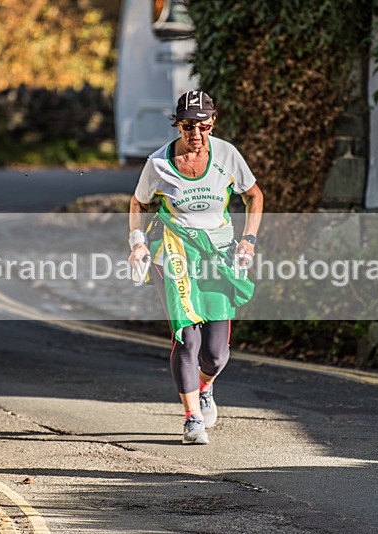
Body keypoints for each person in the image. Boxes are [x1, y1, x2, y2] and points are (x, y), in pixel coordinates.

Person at [128, 90, 264, 445]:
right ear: (178, 125)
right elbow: (138, 203)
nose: (196, 135)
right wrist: (138, 243)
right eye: (188, 126)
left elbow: (254, 195)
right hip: (173, 252)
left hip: (218, 254)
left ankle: (205, 387)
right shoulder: (158, 163)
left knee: (216, 354)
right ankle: (192, 418)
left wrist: (248, 240)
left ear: (213, 123)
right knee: (188, 337)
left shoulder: (227, 155)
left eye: (203, 126)